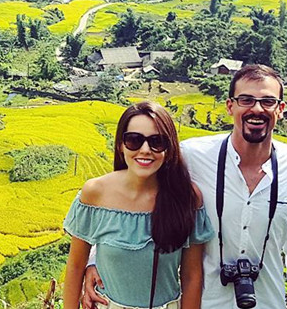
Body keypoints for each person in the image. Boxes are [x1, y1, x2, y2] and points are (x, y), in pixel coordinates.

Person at [83, 65, 287, 309]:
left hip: (269, 302)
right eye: (246, 100)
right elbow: (132, 197)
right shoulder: (192, 157)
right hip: (202, 301)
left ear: (280, 109)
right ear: (230, 106)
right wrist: (95, 260)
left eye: (268, 101)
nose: (257, 109)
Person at [63, 100, 214, 309]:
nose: (145, 150)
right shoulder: (95, 193)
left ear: (169, 149)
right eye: (134, 140)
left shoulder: (186, 197)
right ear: (120, 145)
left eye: (157, 142)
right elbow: (75, 267)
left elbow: (192, 276)